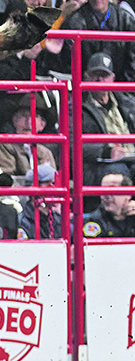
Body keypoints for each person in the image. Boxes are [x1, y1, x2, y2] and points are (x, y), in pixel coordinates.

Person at [81, 51, 135, 185]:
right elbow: (72, 143)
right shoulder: (77, 105)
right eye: (95, 75)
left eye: (104, 75)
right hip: (100, 164)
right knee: (119, 172)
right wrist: (106, 152)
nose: (100, 80)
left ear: (113, 78)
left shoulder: (126, 102)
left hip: (131, 156)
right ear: (86, 77)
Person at [82, 169, 135, 237]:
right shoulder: (93, 221)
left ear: (128, 194)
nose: (106, 196)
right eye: (103, 190)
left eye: (112, 190)